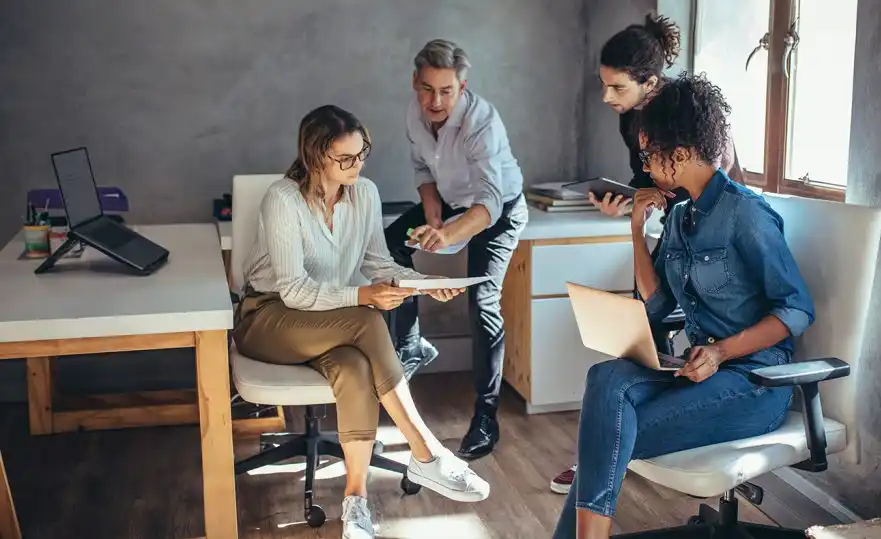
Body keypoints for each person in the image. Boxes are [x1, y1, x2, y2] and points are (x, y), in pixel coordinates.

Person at [551, 73, 815, 539]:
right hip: (695, 368)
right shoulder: (678, 215)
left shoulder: (745, 215)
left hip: (755, 381)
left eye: (650, 153)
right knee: (605, 378)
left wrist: (721, 351)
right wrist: (635, 228)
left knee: (609, 432)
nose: (645, 164)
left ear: (683, 152)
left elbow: (795, 311)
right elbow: (655, 305)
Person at [234, 105, 490, 539]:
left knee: (354, 367)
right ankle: (425, 450)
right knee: (369, 321)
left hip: (327, 320)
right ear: (316, 156)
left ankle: (356, 505)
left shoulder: (364, 193)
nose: (358, 165)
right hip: (269, 317)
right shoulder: (283, 199)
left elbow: (377, 263)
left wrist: (424, 284)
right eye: (346, 158)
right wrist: (362, 296)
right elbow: (294, 290)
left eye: (362, 154)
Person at [550, 12, 748, 496]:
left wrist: (655, 207)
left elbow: (705, 184)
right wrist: (627, 205)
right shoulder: (632, 122)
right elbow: (649, 183)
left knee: (652, 319)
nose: (606, 98)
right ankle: (611, 444)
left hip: (715, 235)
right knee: (638, 328)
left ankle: (615, 445)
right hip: (677, 225)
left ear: (651, 83)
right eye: (604, 86)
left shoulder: (692, 114)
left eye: (616, 88)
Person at [385, 39, 529, 460]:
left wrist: (447, 236)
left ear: (462, 87)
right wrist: (432, 214)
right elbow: (422, 167)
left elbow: (490, 202)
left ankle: (486, 419)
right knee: (389, 244)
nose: (435, 101)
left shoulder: (482, 122)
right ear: (415, 81)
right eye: (427, 89)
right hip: (451, 201)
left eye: (446, 91)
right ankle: (410, 343)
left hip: (497, 211)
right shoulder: (415, 112)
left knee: (482, 303)